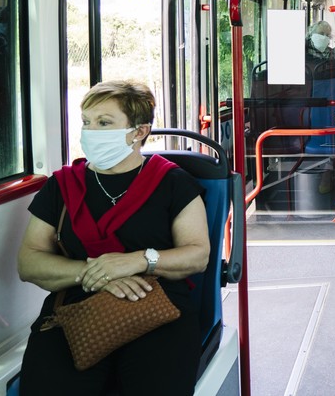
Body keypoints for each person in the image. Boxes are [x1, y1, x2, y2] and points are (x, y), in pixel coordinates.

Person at [17, 81, 210, 395]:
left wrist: (136, 261)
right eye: (86, 122)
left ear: (139, 131)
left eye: (104, 123)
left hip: (157, 305)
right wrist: (95, 274)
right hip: (76, 307)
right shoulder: (62, 185)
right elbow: (29, 261)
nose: (90, 132)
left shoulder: (174, 183)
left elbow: (197, 254)